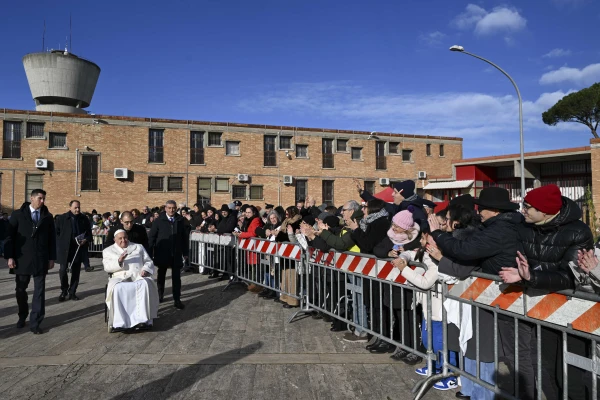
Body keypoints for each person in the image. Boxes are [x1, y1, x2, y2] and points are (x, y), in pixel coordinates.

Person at [499, 184, 594, 400]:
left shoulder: (578, 231)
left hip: (574, 311)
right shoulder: (524, 227)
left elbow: (570, 276)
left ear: (546, 211)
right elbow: (516, 258)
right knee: (547, 368)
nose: (523, 209)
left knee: (572, 374)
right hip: (542, 308)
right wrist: (521, 273)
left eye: (528, 206)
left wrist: (530, 277)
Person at [4, 189, 56, 334]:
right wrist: (10, 256)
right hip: (22, 259)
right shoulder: (18, 214)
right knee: (20, 290)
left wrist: (52, 257)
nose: (42, 201)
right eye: (40, 198)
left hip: (40, 259)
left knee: (39, 291)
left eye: (44, 198)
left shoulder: (47, 217)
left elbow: (52, 239)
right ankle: (22, 315)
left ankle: (36, 322)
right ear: (32, 198)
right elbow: (10, 237)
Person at [103, 230, 159, 331]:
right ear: (114, 239)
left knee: (144, 284)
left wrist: (145, 270)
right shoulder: (108, 251)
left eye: (125, 237)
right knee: (118, 288)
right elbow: (107, 267)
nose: (123, 240)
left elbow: (148, 261)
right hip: (119, 278)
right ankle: (120, 322)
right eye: (120, 239)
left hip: (138, 276)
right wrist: (119, 261)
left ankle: (142, 320)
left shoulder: (138, 247)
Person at [148, 200, 188, 309]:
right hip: (162, 253)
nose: (171, 210)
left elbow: (184, 237)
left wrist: (185, 252)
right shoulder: (159, 220)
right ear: (165, 208)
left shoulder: (180, 220)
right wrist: (149, 253)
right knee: (161, 275)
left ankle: (177, 299)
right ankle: (160, 295)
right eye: (169, 208)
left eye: (173, 208)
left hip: (176, 253)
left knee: (176, 277)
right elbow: (152, 237)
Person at [55, 200, 93, 301]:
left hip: (78, 249)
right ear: (70, 207)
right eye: (75, 207)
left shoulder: (84, 219)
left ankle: (72, 292)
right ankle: (64, 290)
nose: (77, 209)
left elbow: (89, 233)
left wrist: (85, 240)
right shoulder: (62, 218)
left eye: (79, 207)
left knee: (76, 272)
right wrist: (61, 242)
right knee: (63, 271)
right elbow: (56, 233)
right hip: (65, 249)